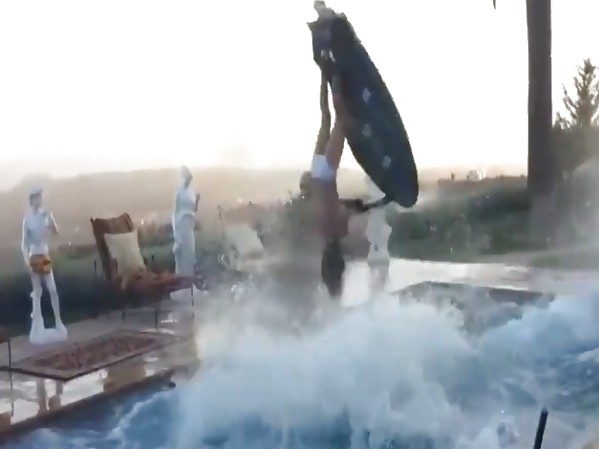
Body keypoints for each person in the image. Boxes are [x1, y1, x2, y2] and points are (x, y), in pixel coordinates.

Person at [307, 72, 354, 298]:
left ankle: (337, 81)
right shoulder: (321, 231)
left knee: (341, 121)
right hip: (316, 171)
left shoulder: (339, 230)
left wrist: (357, 207)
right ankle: (325, 76)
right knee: (325, 116)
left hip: (326, 174)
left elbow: (343, 209)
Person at [21, 187, 67, 344]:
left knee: (52, 289)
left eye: (40, 197)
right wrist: (26, 261)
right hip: (34, 254)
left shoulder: (45, 214)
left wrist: (51, 221)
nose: (39, 200)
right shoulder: (28, 220)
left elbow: (56, 232)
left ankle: (58, 321)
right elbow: (24, 244)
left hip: (44, 254)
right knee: (37, 291)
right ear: (32, 200)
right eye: (37, 197)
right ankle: (38, 325)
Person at [172, 166, 200, 278]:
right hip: (182, 223)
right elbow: (175, 211)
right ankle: (181, 277)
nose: (189, 179)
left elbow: (194, 209)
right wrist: (176, 232)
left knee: (190, 251)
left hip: (189, 224)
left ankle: (189, 277)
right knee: (182, 252)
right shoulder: (179, 191)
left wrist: (197, 200)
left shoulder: (191, 191)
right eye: (188, 177)